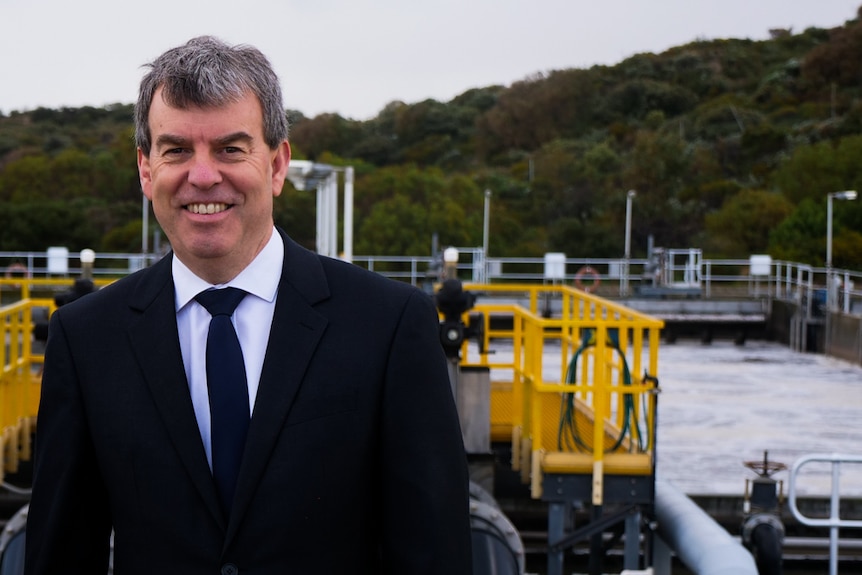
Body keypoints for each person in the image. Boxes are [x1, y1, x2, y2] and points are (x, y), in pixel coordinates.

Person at [25, 36, 472, 574]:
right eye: (177, 150)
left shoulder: (389, 324)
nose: (204, 175)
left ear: (278, 164)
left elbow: (433, 553)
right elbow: (61, 553)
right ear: (146, 169)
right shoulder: (86, 338)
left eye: (231, 149)